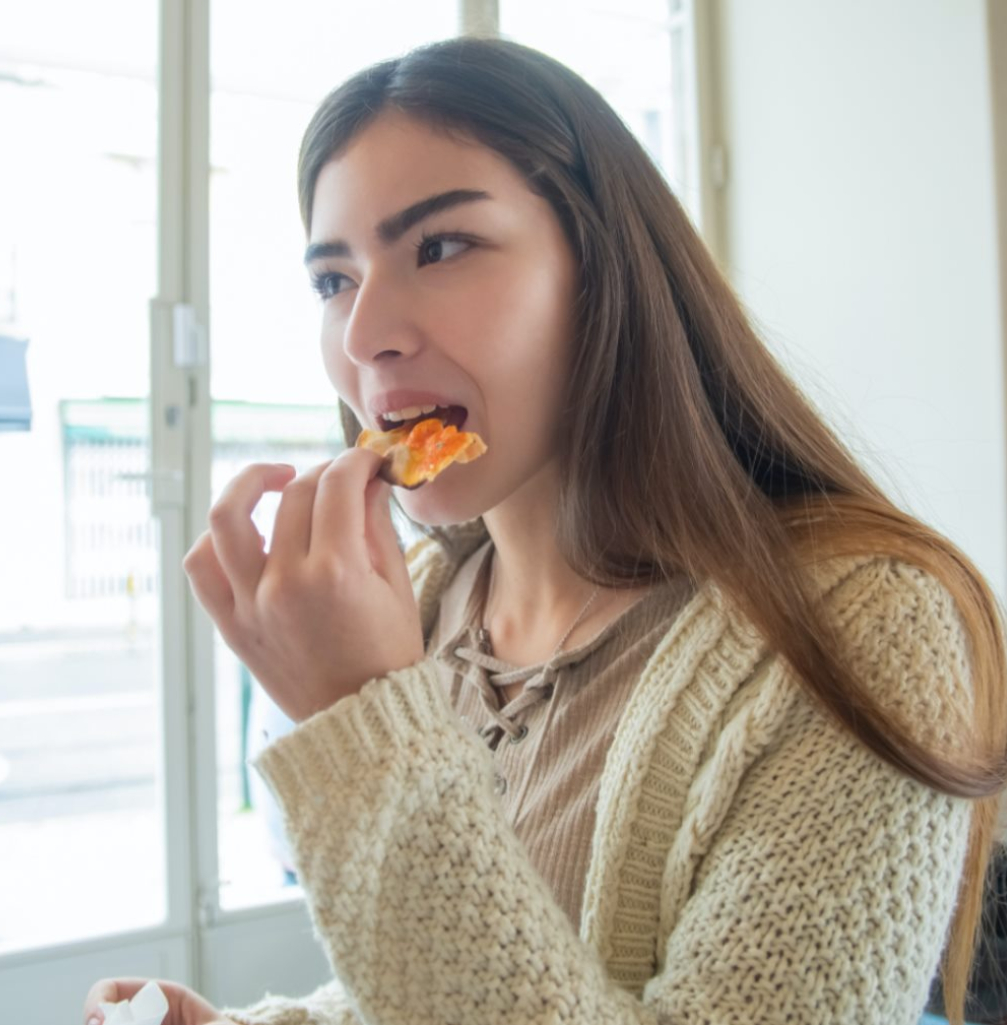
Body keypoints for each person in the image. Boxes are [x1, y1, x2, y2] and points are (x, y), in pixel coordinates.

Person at [84, 35, 1007, 1025]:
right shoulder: (429, 603)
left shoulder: (868, 623)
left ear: (602, 270)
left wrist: (361, 718)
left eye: (438, 247)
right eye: (332, 279)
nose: (363, 336)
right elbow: (441, 973)